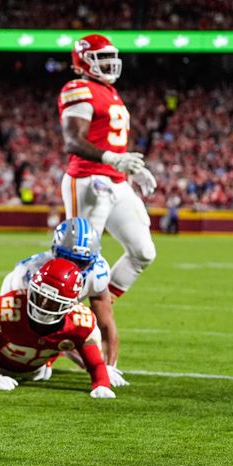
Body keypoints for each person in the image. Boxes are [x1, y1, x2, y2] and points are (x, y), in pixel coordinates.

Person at [59, 34, 157, 301]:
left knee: (143, 252)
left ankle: (100, 308)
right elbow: (72, 141)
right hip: (88, 179)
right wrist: (113, 159)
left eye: (112, 56)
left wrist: (130, 168)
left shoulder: (111, 92)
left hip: (117, 181)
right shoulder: (78, 88)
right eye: (102, 57)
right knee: (79, 258)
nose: (110, 62)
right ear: (83, 61)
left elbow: (108, 139)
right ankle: (62, 315)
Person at [0, 217, 127, 387]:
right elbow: (31, 330)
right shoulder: (29, 274)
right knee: (24, 359)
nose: (74, 267)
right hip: (28, 316)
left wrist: (108, 367)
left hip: (62, 312)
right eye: (68, 259)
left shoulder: (97, 272)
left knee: (86, 329)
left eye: (82, 262)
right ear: (54, 251)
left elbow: (106, 323)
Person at [0, 259, 115, 400]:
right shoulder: (11, 306)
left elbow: (95, 363)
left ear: (70, 305)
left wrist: (102, 384)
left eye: (53, 302)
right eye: (40, 296)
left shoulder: (79, 322)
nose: (43, 305)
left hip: (33, 371)